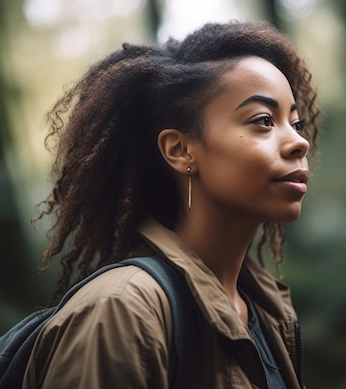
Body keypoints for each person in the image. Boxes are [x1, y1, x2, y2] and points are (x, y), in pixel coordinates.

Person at [23, 21, 321, 389]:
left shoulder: (266, 308)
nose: (299, 143)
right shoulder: (121, 312)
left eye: (294, 123)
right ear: (180, 150)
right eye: (263, 120)